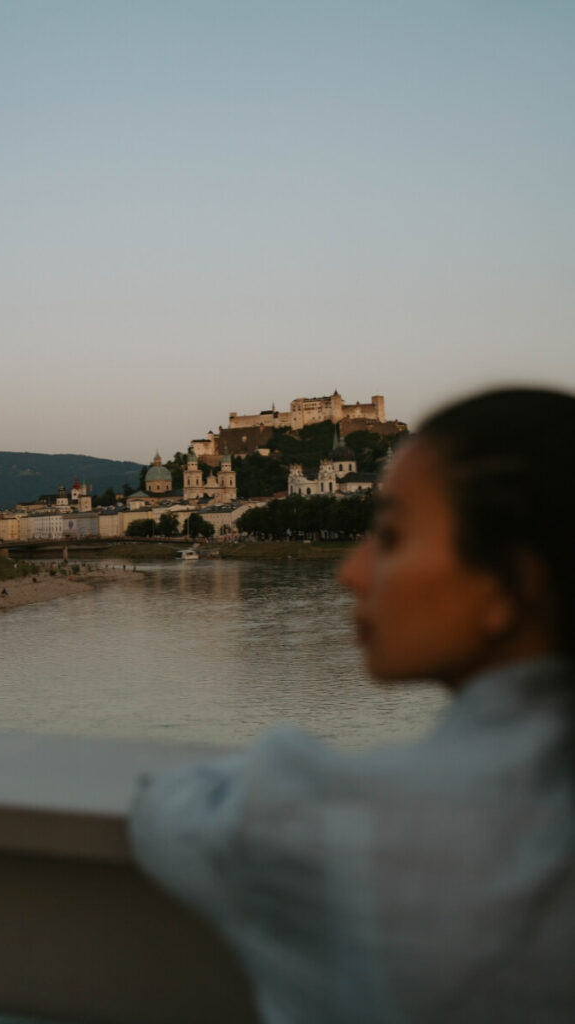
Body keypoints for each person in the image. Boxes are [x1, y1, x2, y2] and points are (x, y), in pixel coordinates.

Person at [130, 388, 574, 1024]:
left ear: (508, 585)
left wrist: (286, 772)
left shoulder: (335, 818)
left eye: (390, 536)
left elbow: (168, 815)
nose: (351, 572)